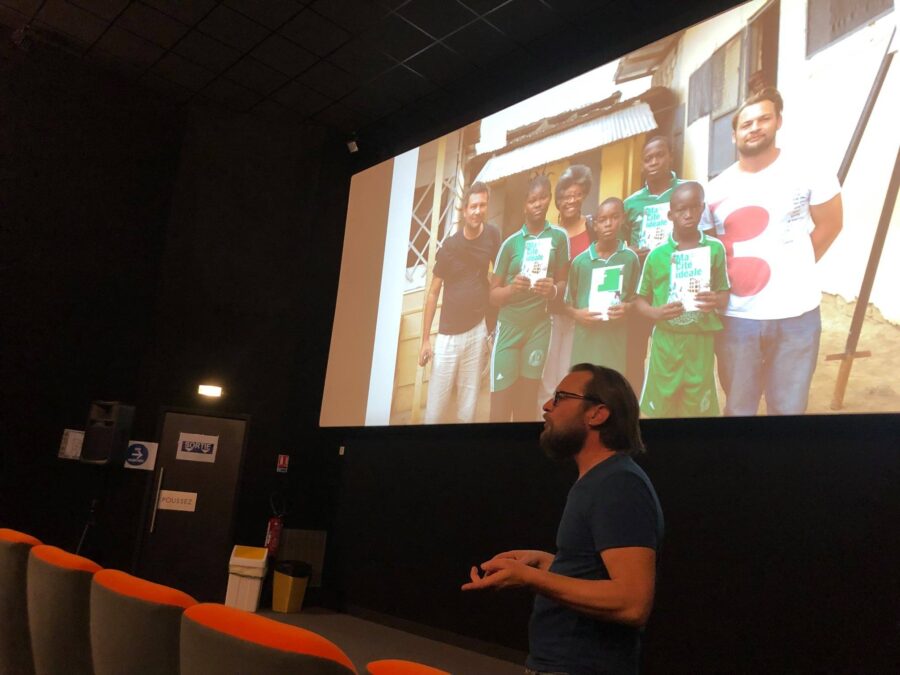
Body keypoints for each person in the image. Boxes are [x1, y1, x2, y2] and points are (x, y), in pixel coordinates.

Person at [463, 364, 663, 675]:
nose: (546, 406)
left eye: (560, 398)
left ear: (597, 414)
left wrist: (529, 578)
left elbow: (632, 602)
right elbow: (596, 573)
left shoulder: (619, 484)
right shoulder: (599, 480)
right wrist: (548, 563)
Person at [705, 88, 843, 416]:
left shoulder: (808, 170)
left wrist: (795, 266)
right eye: (746, 124)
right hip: (737, 318)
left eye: (763, 119)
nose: (755, 128)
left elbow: (831, 225)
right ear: (734, 134)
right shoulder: (714, 189)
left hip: (797, 315)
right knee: (739, 408)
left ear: (778, 121)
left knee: (788, 410)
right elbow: (710, 251)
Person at [635, 182, 730, 418]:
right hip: (666, 342)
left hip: (700, 341)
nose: (688, 214)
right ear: (670, 215)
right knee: (661, 408)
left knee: (697, 408)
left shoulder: (715, 249)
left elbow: (724, 294)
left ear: (702, 208)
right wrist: (655, 313)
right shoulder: (656, 255)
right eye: (681, 210)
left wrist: (715, 300)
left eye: (694, 207)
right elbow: (639, 300)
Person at [622, 136, 706, 396]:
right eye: (648, 158)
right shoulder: (631, 203)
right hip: (643, 290)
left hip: (680, 288)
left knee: (676, 351)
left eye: (659, 155)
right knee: (634, 354)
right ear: (642, 165)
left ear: (671, 156)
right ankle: (634, 406)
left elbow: (705, 236)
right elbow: (621, 245)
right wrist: (630, 250)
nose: (654, 162)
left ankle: (673, 403)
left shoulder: (687, 192)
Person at [419, 181, 501, 423]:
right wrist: (425, 340)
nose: (477, 211)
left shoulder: (492, 235)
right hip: (448, 338)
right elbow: (433, 293)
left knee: (468, 407)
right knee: (435, 410)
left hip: (477, 331)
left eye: (482, 205)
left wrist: (493, 322)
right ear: (464, 210)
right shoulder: (450, 247)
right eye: (473, 206)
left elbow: (499, 274)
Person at [490, 175, 569, 422]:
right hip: (509, 328)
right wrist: (512, 289)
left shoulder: (559, 237)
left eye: (543, 198)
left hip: (538, 328)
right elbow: (492, 295)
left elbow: (563, 283)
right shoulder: (510, 243)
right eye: (532, 200)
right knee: (500, 406)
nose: (538, 204)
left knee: (526, 403)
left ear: (550, 199)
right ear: (524, 205)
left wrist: (552, 291)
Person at [541, 165, 597, 408]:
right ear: (558, 200)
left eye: (576, 194)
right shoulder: (551, 233)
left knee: (571, 375)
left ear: (584, 195)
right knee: (547, 377)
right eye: (565, 196)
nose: (571, 200)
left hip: (583, 315)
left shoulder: (593, 228)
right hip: (553, 314)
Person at [566, 198, 640, 374]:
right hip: (585, 344)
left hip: (615, 345)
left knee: (610, 386)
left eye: (614, 217)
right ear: (595, 225)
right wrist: (577, 314)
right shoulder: (580, 262)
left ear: (623, 219)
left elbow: (637, 300)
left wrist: (627, 307)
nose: (608, 224)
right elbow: (566, 303)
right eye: (603, 220)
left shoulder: (630, 259)